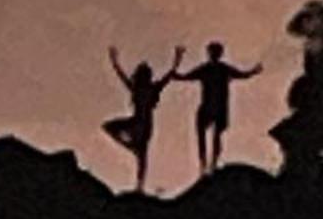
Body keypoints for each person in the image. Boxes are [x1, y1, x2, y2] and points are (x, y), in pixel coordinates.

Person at [171, 40, 264, 175]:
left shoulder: (219, 69)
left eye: (215, 52)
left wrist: (253, 71)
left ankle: (210, 164)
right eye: (212, 52)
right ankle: (205, 165)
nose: (213, 55)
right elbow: (181, 77)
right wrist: (177, 60)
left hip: (217, 108)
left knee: (214, 136)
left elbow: (243, 74)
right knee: (207, 134)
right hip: (211, 107)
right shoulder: (210, 69)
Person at [103, 46, 182, 193]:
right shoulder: (138, 88)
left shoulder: (152, 88)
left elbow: (168, 76)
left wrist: (177, 59)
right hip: (138, 120)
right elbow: (122, 76)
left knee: (142, 155)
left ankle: (139, 186)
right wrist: (114, 61)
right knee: (110, 128)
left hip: (144, 123)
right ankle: (131, 148)